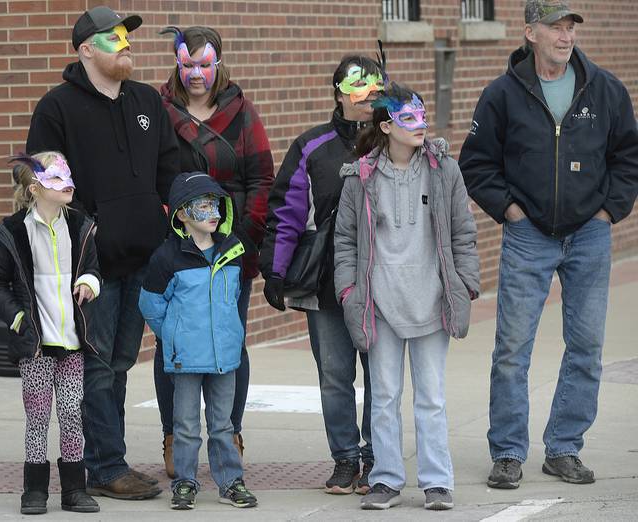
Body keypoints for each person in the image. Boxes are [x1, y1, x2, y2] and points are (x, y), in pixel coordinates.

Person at [459, 0, 638, 489]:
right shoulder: (501, 95)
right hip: (528, 236)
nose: (565, 36)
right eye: (555, 28)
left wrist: (608, 212)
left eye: (570, 28)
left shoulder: (605, 90)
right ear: (529, 33)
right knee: (513, 348)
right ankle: (509, 453)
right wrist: (511, 212)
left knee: (586, 346)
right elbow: (475, 164)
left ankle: (563, 448)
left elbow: (628, 157)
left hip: (589, 236)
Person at [25, 6, 179, 500]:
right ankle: (106, 466)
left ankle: (104, 461)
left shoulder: (147, 101)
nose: (125, 43)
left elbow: (168, 170)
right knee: (96, 364)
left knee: (119, 362)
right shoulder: (56, 108)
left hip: (143, 259)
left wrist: (169, 231)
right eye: (113, 38)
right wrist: (87, 236)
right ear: (86, 48)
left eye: (126, 37)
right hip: (90, 264)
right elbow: (43, 181)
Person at [333, 83, 480, 511]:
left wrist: (465, 285)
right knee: (383, 397)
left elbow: (463, 232)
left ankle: (437, 482)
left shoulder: (443, 170)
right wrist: (349, 292)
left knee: (431, 398)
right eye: (408, 118)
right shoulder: (360, 177)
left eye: (422, 116)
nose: (420, 124)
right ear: (386, 126)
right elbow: (344, 241)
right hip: (380, 306)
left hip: (433, 302)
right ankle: (386, 480)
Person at [155, 25, 273, 476]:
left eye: (204, 65)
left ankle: (230, 430)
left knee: (231, 342)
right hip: (177, 252)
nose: (196, 74)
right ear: (177, 62)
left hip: (229, 251)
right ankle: (174, 433)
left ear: (218, 63)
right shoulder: (159, 111)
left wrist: (243, 236)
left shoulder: (243, 114)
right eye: (187, 65)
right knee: (174, 343)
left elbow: (262, 179)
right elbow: (151, 176)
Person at [259, 55, 381, 495]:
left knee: (380, 376)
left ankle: (375, 459)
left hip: (381, 284)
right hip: (327, 283)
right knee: (334, 375)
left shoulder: (394, 140)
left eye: (375, 84)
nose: (368, 93)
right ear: (339, 92)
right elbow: (286, 211)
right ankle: (346, 459)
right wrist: (274, 270)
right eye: (358, 85)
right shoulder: (312, 146)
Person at [0, 152, 101, 515]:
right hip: (36, 344)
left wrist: (88, 283)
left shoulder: (81, 226)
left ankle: (74, 488)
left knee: (70, 413)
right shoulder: (14, 231)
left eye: (68, 174)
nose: (66, 183)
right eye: (56, 178)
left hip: (72, 343)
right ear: (36, 188)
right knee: (37, 417)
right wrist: (18, 319)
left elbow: (95, 269)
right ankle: (34, 490)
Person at [139, 172, 258, 510]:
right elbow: (150, 304)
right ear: (181, 214)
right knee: (186, 425)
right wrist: (174, 335)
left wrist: (229, 334)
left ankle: (231, 482)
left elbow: (233, 299)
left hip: (224, 358)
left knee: (224, 425)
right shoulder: (167, 258)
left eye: (215, 204)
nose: (212, 211)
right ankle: (185, 482)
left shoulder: (233, 251)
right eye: (202, 205)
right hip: (185, 359)